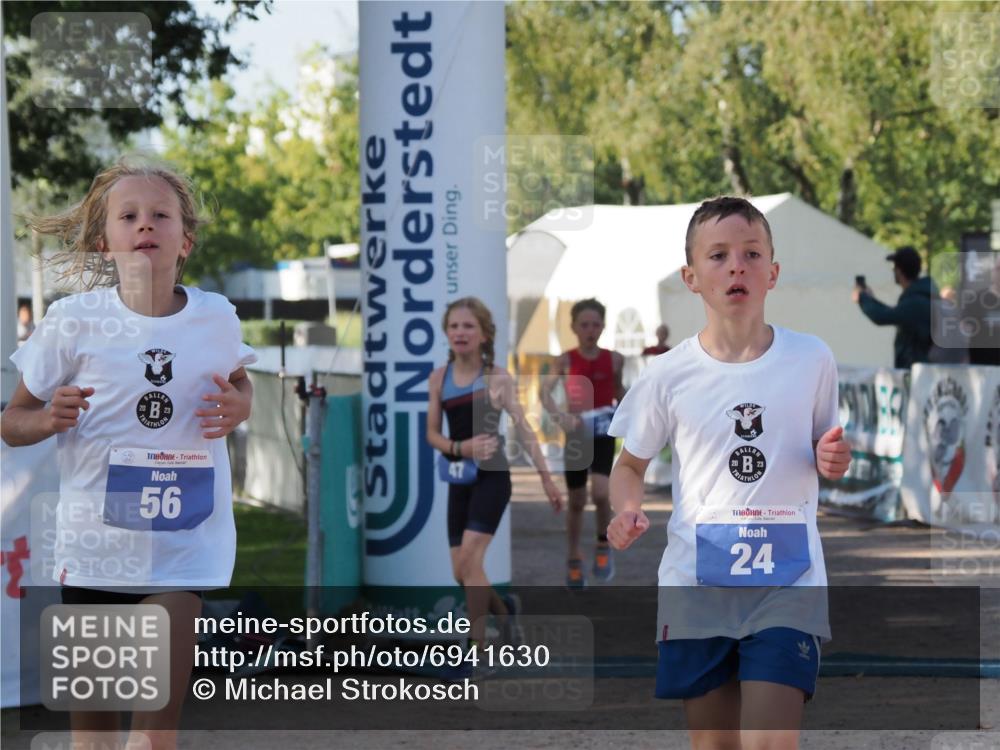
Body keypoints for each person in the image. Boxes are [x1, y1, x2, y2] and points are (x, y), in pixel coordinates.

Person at [1, 158, 256, 750]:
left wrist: (242, 406)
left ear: (184, 240)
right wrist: (46, 418)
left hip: (182, 549)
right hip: (95, 553)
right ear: (103, 241)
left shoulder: (215, 316)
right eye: (129, 215)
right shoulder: (73, 321)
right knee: (93, 739)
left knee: (152, 735)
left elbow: (239, 382)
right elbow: (12, 423)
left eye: (161, 215)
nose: (146, 224)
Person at [606, 196, 851, 750]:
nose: (736, 265)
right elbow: (629, 463)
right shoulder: (667, 374)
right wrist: (627, 509)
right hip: (699, 585)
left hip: (788, 581)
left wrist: (834, 458)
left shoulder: (812, 358)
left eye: (751, 253)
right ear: (691, 277)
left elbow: (824, 449)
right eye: (718, 255)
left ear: (773, 271)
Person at [427, 297, 562, 654]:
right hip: (459, 476)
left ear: (485, 334)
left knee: (471, 560)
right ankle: (506, 614)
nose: (460, 332)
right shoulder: (439, 378)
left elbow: (525, 429)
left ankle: (476, 647)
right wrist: (461, 448)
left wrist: (547, 479)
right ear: (446, 332)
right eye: (454, 326)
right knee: (461, 571)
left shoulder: (498, 378)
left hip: (493, 476)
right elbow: (432, 435)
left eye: (468, 326)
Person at [540, 298, 624, 588]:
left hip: (603, 432)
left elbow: (618, 390)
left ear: (603, 326)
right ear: (574, 327)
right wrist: (560, 417)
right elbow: (544, 392)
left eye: (596, 324)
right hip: (576, 434)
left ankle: (603, 545)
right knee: (576, 500)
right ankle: (573, 556)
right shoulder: (564, 360)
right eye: (584, 325)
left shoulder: (614, 359)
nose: (590, 330)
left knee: (601, 493)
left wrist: (631, 413)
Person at [853, 246, 937, 368]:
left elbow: (882, 316)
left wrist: (862, 298)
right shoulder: (922, 296)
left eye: (894, 268)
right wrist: (869, 299)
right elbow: (893, 312)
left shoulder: (916, 302)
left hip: (917, 372)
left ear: (899, 271)